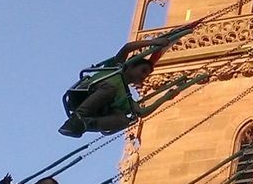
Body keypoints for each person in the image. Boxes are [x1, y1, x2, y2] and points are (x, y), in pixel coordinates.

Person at [60, 29, 189, 137]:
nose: (144, 76)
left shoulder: (126, 97)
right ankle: (78, 116)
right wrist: (153, 42)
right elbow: (127, 48)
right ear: (131, 66)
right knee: (110, 89)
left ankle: (84, 124)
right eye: (143, 70)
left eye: (147, 75)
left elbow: (142, 112)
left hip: (99, 109)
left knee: (124, 120)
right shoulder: (116, 68)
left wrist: (166, 97)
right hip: (85, 93)